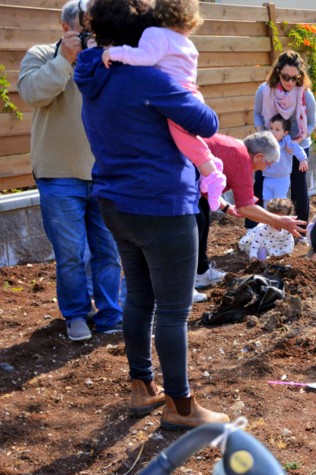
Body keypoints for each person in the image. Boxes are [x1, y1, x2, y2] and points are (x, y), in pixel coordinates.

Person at [74, 0, 229, 429]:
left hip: (114, 203)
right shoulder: (150, 78)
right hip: (161, 206)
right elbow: (206, 121)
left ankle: (141, 387)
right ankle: (181, 408)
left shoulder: (93, 75)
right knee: (174, 312)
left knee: (139, 297)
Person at [18, 0, 123, 342]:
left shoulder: (105, 56)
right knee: (71, 254)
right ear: (65, 28)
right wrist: (65, 60)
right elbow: (33, 94)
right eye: (84, 27)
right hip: (58, 174)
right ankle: (77, 314)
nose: (91, 32)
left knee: (108, 250)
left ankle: (110, 313)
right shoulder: (41, 54)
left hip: (103, 174)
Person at [101, 0, 227, 211]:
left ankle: (211, 173)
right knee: (188, 137)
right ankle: (211, 162)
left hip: (176, 95)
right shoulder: (186, 41)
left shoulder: (155, 34)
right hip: (192, 93)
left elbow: (144, 57)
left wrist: (116, 53)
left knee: (182, 138)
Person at [193, 131, 306, 301]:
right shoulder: (242, 159)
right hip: (175, 178)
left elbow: (206, 187)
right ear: (259, 157)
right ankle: (181, 285)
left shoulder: (236, 149)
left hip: (191, 181)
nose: (266, 168)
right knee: (193, 224)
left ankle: (201, 272)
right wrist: (278, 220)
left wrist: (226, 207)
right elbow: (246, 207)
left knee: (202, 217)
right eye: (268, 164)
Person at [254, 50, 316, 227]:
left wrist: (296, 141)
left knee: (298, 186)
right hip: (269, 145)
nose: (290, 82)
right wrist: (263, 134)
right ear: (277, 73)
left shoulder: (304, 94)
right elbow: (258, 115)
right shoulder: (264, 91)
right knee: (260, 182)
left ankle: (300, 228)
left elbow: (312, 122)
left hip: (297, 144)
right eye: (285, 77)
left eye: (294, 78)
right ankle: (256, 226)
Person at [262, 114, 308, 204]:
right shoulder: (267, 143)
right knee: (266, 200)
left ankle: (279, 217)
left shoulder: (287, 144)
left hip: (282, 179)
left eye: (277, 130)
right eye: (271, 128)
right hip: (267, 177)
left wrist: (303, 159)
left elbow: (297, 149)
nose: (273, 132)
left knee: (279, 202)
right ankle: (268, 217)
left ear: (285, 132)